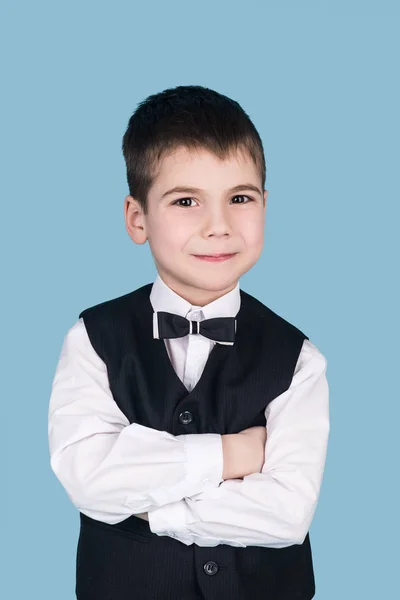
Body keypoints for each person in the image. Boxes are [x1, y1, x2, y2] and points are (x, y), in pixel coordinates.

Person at [48, 84, 330, 600]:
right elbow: (88, 476)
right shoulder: (93, 338)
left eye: (239, 198)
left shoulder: (300, 359)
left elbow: (288, 513)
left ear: (266, 204)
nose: (218, 226)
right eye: (185, 201)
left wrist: (149, 504)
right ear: (138, 218)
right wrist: (231, 456)